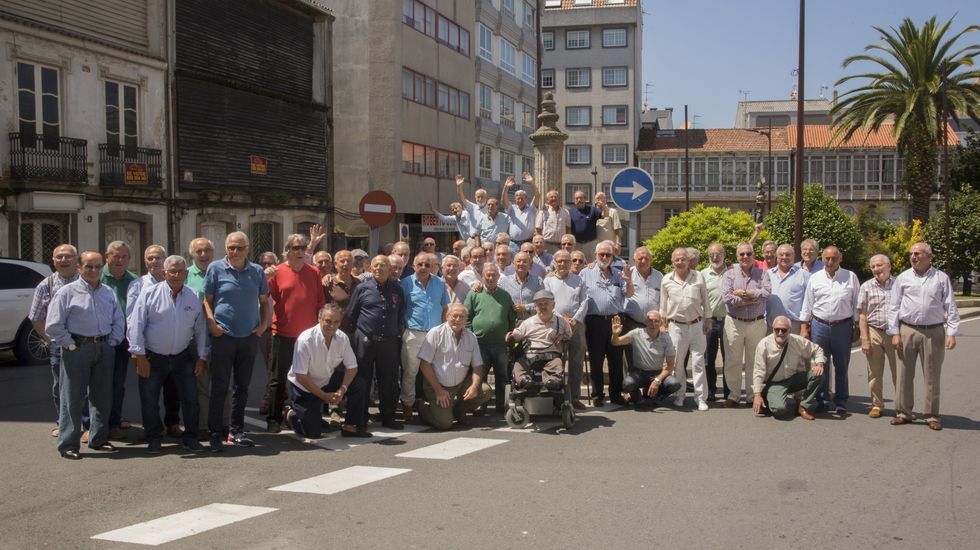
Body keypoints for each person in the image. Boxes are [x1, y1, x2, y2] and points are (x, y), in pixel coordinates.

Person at [45, 250, 125, 459]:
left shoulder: (108, 292)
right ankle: (69, 444)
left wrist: (113, 341)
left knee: (102, 396)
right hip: (77, 348)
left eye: (98, 266)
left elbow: (118, 319)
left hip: (104, 347)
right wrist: (70, 345)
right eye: (89, 266)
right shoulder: (67, 292)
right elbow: (53, 325)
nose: (94, 270)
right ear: (79, 268)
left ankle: (98, 438)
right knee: (72, 398)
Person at [128, 255, 207, 453]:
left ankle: (191, 436)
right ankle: (154, 437)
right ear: (164, 273)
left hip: (182, 357)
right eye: (172, 271)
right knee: (149, 399)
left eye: (180, 271)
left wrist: (202, 356)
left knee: (190, 399)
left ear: (186, 274)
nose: (176, 275)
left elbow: (201, 329)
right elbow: (136, 325)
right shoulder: (148, 294)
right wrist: (139, 356)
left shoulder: (194, 296)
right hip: (153, 357)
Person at [204, 232, 271, 451]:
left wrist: (262, 326)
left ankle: (236, 431)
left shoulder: (257, 272)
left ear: (248, 248)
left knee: (242, 387)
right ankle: (215, 433)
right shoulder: (215, 268)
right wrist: (212, 324)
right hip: (224, 337)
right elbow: (208, 300)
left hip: (248, 337)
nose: (235, 251)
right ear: (226, 248)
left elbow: (265, 301)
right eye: (231, 247)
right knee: (219, 387)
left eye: (239, 248)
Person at [888, 242, 960, 431]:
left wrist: (952, 332)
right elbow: (894, 307)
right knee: (904, 374)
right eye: (911, 254)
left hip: (933, 331)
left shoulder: (940, 278)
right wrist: (894, 332)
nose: (913, 257)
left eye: (918, 253)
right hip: (907, 330)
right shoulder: (903, 278)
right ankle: (903, 412)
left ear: (929, 256)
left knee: (932, 375)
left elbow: (950, 305)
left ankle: (931, 415)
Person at [265, 234, 326, 433]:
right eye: (295, 248)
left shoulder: (314, 272)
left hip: (308, 337)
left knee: (310, 377)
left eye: (302, 248)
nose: (300, 251)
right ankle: (274, 418)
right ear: (287, 251)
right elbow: (263, 299)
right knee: (278, 379)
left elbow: (320, 303)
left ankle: (309, 414)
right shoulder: (277, 272)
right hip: (282, 333)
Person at [285, 304, 371, 438]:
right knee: (312, 433)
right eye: (328, 321)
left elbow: (352, 367)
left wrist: (342, 390)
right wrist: (324, 396)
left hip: (326, 380)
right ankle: (291, 414)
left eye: (336, 322)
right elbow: (301, 375)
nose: (332, 326)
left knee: (359, 384)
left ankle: (351, 426)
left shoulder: (342, 338)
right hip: (304, 387)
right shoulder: (305, 339)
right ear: (319, 319)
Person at [126, 244, 179, 440]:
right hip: (148, 349)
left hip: (174, 348)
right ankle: (153, 431)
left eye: (158, 257)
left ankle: (173, 424)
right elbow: (131, 319)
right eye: (150, 258)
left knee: (173, 391)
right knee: (150, 393)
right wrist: (136, 349)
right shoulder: (138, 286)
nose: (154, 261)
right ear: (145, 261)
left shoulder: (176, 282)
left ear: (165, 261)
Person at [800, 245, 860, 415]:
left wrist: (856, 326)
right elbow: (808, 303)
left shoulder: (850, 277)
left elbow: (856, 303)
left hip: (843, 326)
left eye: (834, 258)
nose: (830, 261)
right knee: (820, 365)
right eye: (827, 258)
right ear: (823, 259)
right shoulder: (816, 278)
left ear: (840, 259)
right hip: (820, 326)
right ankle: (822, 399)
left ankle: (841, 401)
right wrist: (805, 326)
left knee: (842, 365)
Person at [348, 255, 406, 429]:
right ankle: (362, 417)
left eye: (383, 265)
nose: (379, 268)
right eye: (376, 265)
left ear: (389, 269)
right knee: (363, 379)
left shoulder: (397, 290)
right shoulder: (362, 288)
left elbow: (400, 314)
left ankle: (388, 416)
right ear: (370, 268)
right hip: (366, 340)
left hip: (389, 342)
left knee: (388, 380)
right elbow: (352, 314)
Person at [29, 243, 80, 437]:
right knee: (60, 384)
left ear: (76, 260)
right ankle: (63, 422)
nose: (64, 260)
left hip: (85, 343)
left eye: (68, 256)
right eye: (59, 257)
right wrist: (51, 340)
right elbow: (36, 317)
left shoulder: (87, 282)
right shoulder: (46, 285)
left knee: (85, 385)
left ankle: (84, 423)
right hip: (59, 345)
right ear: (53, 260)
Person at [416, 304, 493, 429]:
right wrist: (438, 389)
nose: (457, 319)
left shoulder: (471, 337)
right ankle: (422, 407)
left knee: (485, 391)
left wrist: (474, 386)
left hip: (460, 384)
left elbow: (478, 366)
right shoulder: (435, 333)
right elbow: (424, 364)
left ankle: (457, 410)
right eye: (454, 316)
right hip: (437, 385)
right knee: (444, 424)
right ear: (447, 316)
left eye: (461, 316)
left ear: (466, 319)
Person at [581, 241, 633, 406]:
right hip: (594, 321)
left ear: (613, 257)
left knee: (616, 360)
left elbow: (629, 294)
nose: (604, 257)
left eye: (608, 255)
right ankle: (597, 395)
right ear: (595, 256)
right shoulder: (585, 273)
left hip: (615, 321)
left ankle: (616, 393)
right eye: (601, 254)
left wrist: (629, 281)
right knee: (596, 360)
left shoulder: (619, 274)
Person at [721, 242, 772, 408]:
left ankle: (752, 396)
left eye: (748, 254)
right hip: (734, 322)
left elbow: (766, 294)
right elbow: (727, 299)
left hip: (757, 322)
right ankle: (734, 395)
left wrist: (743, 294)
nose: (745, 257)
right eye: (742, 254)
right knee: (732, 361)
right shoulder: (729, 275)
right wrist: (752, 299)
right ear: (737, 256)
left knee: (755, 361)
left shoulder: (762, 274)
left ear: (754, 255)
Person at [660, 247, 711, 410]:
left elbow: (705, 300)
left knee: (698, 362)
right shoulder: (666, 279)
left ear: (689, 261)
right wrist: (663, 323)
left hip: (697, 326)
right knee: (677, 364)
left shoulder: (698, 277)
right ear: (672, 262)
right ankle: (679, 395)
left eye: (683, 259)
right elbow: (663, 304)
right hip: (676, 326)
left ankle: (700, 397)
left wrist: (708, 319)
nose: (680, 262)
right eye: (677, 259)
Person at [400, 253, 449, 420]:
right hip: (414, 333)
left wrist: (444, 331)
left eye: (427, 265)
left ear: (432, 267)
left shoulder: (440, 283)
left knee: (436, 371)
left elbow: (445, 309)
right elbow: (401, 310)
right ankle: (407, 404)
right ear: (413, 266)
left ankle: (434, 402)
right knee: (410, 372)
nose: (423, 268)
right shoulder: (405, 284)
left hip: (435, 334)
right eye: (420, 264)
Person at [463, 263, 516, 414]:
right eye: (488, 275)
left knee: (502, 376)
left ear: (498, 277)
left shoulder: (505, 295)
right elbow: (467, 317)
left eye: (494, 275)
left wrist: (510, 334)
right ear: (483, 276)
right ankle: (481, 404)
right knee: (480, 375)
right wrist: (471, 336)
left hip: (500, 344)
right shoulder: (474, 294)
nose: (491, 277)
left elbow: (511, 318)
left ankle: (502, 405)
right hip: (480, 344)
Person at [751, 316, 826, 420]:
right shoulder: (764, 344)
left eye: (784, 330)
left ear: (789, 330)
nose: (780, 333)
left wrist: (819, 364)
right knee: (779, 409)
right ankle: (770, 398)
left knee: (818, 374)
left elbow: (817, 350)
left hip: (793, 379)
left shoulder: (798, 341)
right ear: (773, 329)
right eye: (777, 330)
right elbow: (759, 371)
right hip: (775, 383)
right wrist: (757, 395)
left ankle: (803, 406)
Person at [100, 241, 137, 439]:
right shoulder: (97, 276)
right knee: (94, 383)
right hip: (98, 338)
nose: (120, 260)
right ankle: (92, 424)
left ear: (129, 259)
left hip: (122, 341)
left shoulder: (133, 281)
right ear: (107, 256)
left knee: (117, 384)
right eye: (116, 256)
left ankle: (113, 423)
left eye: (124, 257)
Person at [543, 250, 588, 409]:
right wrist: (563, 320)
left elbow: (584, 301)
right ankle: (558, 398)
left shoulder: (579, 280)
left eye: (566, 261)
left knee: (577, 362)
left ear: (570, 263)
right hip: (556, 326)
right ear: (554, 262)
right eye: (559, 261)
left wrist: (575, 319)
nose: (562, 264)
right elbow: (547, 302)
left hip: (577, 326)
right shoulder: (548, 281)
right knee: (556, 362)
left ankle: (574, 398)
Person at [610, 311, 683, 407]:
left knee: (675, 384)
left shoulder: (666, 338)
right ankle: (637, 397)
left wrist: (657, 380)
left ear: (661, 323)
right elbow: (615, 342)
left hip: (657, 373)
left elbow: (670, 366)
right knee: (627, 384)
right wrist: (615, 334)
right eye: (650, 321)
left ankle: (658, 396)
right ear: (645, 322)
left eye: (656, 321)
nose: (653, 324)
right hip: (639, 373)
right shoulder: (636, 333)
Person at [507, 290, 572, 391]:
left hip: (551, 356)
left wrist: (562, 336)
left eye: (546, 303)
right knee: (518, 364)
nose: (543, 307)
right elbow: (518, 334)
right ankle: (525, 381)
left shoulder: (561, 322)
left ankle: (552, 381)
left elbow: (569, 335)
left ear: (553, 305)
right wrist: (512, 337)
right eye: (539, 304)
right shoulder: (527, 323)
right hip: (530, 355)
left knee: (557, 363)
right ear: (535, 307)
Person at [858, 254, 897, 418]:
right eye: (873, 267)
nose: (876, 269)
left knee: (900, 372)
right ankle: (877, 404)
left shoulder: (899, 285)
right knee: (874, 372)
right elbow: (862, 315)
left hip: (895, 333)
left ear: (889, 266)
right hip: (874, 331)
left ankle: (902, 407)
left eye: (879, 265)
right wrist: (865, 339)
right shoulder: (866, 286)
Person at [623, 246, 663, 372]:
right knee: (631, 357)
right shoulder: (628, 274)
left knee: (652, 357)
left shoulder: (659, 276)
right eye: (640, 258)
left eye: (647, 258)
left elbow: (663, 299)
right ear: (634, 259)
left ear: (651, 260)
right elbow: (626, 294)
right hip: (632, 322)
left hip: (653, 324)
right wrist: (628, 281)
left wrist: (662, 322)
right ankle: (632, 389)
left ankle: (649, 390)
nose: (643, 261)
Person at [700, 243, 728, 401]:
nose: (715, 257)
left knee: (728, 358)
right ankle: (710, 389)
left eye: (718, 254)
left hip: (728, 321)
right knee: (708, 358)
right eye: (712, 254)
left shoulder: (731, 273)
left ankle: (728, 390)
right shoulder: (702, 274)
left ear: (724, 254)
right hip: (709, 321)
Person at [766, 244, 810, 334]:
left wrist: (804, 327)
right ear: (776, 257)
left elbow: (809, 302)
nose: (784, 257)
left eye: (788, 254)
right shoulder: (767, 274)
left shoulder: (804, 275)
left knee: (794, 348)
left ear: (794, 256)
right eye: (781, 255)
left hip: (794, 326)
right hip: (771, 325)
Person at [500, 251, 543, 324]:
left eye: (525, 261)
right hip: (511, 324)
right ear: (513, 263)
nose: (521, 264)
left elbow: (543, 302)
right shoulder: (504, 282)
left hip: (532, 323)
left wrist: (526, 307)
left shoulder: (538, 281)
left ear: (529, 264)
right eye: (518, 261)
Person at [502, 172, 538, 246]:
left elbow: (537, 195)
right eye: (518, 199)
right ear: (515, 199)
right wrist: (506, 187)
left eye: (522, 198)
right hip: (513, 244)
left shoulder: (531, 208)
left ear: (526, 199)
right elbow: (504, 200)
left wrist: (532, 183)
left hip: (528, 243)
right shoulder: (512, 208)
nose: (520, 200)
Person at [568, 191, 603, 261]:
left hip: (590, 244)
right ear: (574, 200)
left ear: (585, 199)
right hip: (576, 245)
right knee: (576, 264)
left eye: (581, 198)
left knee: (592, 265)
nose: (579, 200)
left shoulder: (593, 210)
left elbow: (605, 215)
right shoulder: (569, 212)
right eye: (577, 198)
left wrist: (603, 205)